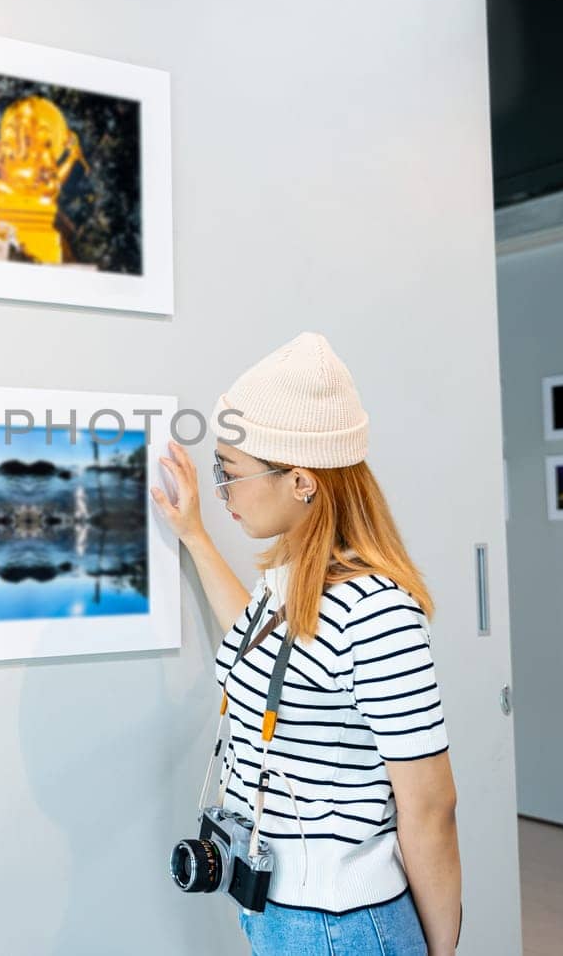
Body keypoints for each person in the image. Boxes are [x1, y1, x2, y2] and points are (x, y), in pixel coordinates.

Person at [151, 332, 462, 955]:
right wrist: (194, 536)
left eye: (230, 475)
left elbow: (431, 807)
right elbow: (261, 651)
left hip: (343, 927)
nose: (221, 491)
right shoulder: (292, 586)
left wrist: (441, 952)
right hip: (279, 913)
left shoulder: (376, 611)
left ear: (300, 480)